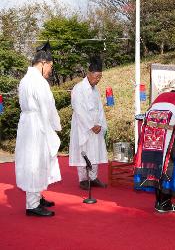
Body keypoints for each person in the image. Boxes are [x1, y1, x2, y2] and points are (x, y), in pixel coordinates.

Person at [134, 80, 175, 213]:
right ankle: (165, 203)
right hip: (168, 137)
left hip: (149, 136)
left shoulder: (160, 97)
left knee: (155, 166)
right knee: (169, 166)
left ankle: (158, 201)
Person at [15, 41, 61, 217]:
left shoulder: (26, 79)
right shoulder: (38, 82)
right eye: (50, 65)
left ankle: (36, 196)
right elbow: (47, 107)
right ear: (43, 63)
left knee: (36, 161)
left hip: (29, 123)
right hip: (37, 125)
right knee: (35, 161)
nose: (50, 70)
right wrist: (55, 125)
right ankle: (32, 205)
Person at [69, 56, 108, 190]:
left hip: (96, 126)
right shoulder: (78, 88)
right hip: (83, 126)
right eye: (96, 77)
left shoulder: (96, 90)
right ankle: (83, 179)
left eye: (100, 77)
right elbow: (79, 109)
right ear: (89, 73)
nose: (98, 80)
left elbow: (100, 109)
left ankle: (93, 177)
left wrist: (100, 124)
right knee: (84, 151)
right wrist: (91, 125)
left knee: (95, 151)